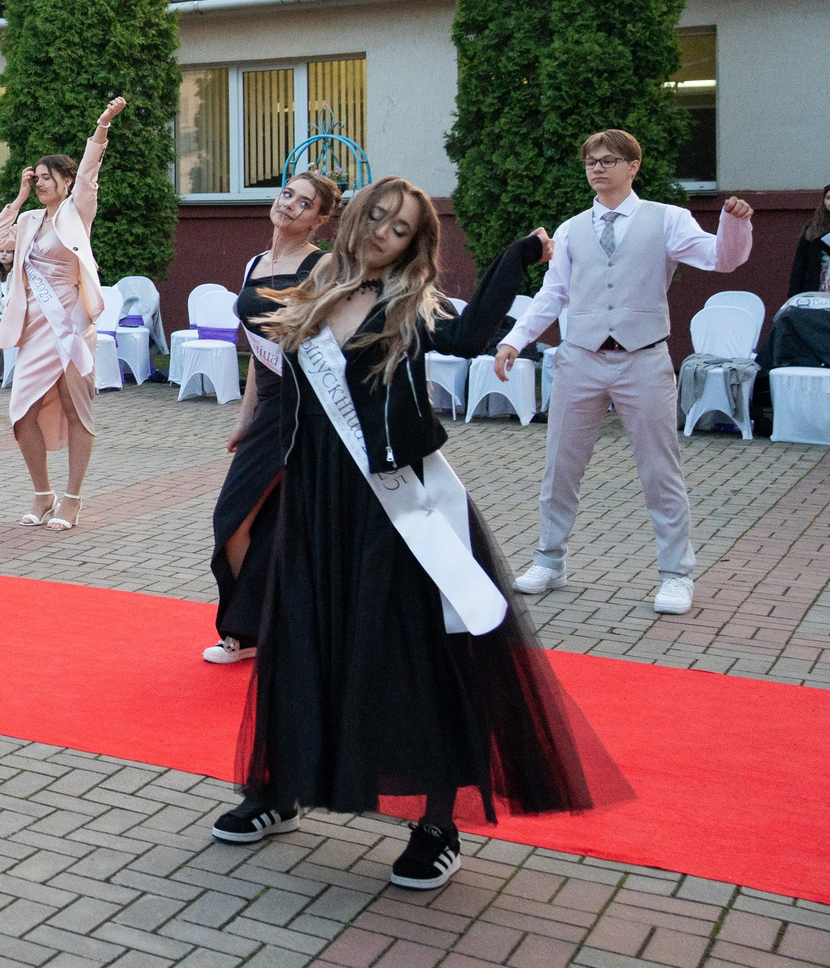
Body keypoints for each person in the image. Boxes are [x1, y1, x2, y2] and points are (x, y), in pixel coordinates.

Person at [219, 177, 620, 890]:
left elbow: (468, 335)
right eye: (376, 215)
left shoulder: (409, 304)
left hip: (389, 512)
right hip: (315, 503)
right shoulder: (311, 293)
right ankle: (278, 791)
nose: (381, 231)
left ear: (413, 244)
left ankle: (437, 821)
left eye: (400, 227)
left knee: (406, 655)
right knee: (304, 640)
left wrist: (517, 256)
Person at [498, 129, 755, 617]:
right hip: (580, 357)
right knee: (560, 466)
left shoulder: (667, 219)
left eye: (610, 159)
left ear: (633, 166)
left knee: (661, 469)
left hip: (644, 358)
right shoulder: (572, 228)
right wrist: (515, 339)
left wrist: (734, 225)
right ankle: (549, 560)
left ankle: (676, 574)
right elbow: (553, 295)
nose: (598, 167)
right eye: (591, 161)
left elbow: (722, 259)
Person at [202, 172, 341, 665]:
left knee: (239, 517)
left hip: (308, 411)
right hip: (270, 409)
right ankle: (259, 627)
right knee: (249, 522)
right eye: (288, 195)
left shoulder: (324, 267)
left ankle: (249, 630)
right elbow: (259, 359)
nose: (290, 206)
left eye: (305, 204)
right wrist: (244, 417)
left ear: (320, 219)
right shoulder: (255, 263)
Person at [0, 97, 127, 532]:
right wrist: (20, 194)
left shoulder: (76, 213)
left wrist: (101, 126)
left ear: (65, 183)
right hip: (33, 329)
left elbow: (89, 173)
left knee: (76, 409)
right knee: (20, 411)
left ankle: (72, 499)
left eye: (48, 178)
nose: (43, 183)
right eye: (38, 177)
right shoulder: (29, 220)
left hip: (69, 324)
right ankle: (42, 492)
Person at [786, 184, 830, 300]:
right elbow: (800, 263)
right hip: (816, 287)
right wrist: (794, 295)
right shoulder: (813, 227)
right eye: (828, 198)